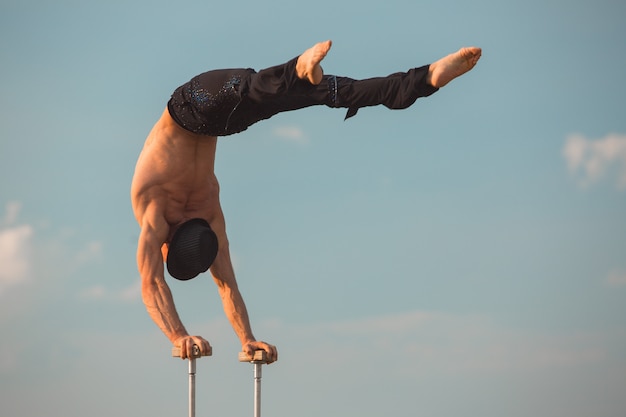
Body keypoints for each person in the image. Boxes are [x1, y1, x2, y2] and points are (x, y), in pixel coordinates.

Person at [130, 40, 481, 362]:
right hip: (227, 118)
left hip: (192, 102)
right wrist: (246, 338)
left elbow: (152, 284)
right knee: (323, 92)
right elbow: (226, 286)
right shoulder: (207, 215)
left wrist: (178, 335)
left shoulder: (154, 209)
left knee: (266, 86)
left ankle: (300, 68)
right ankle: (423, 80)